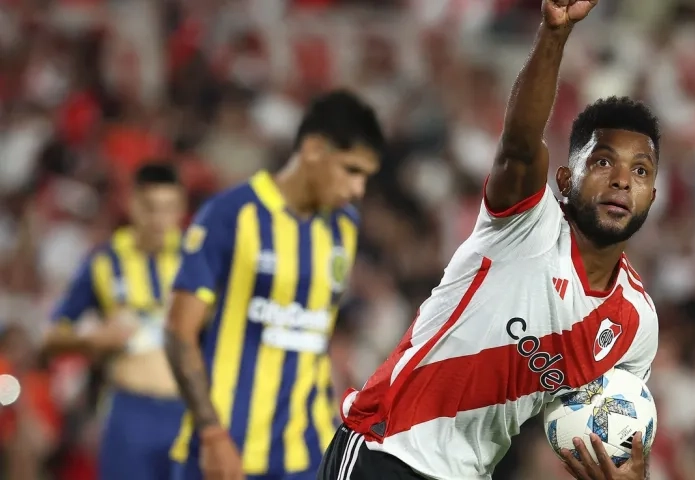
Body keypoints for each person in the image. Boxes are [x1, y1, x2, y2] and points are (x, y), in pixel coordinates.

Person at [317, 1, 659, 480]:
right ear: (564, 178)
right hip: (388, 449)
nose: (623, 180)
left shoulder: (635, 325)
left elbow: (613, 433)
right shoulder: (526, 222)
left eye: (640, 171)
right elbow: (520, 145)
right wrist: (554, 34)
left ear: (653, 194)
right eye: (603, 163)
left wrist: (629, 475)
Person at [165, 90, 385, 480]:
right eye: (351, 170)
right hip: (225, 453)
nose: (358, 190)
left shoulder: (344, 226)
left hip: (306, 454)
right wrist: (213, 436)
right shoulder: (231, 214)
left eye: (366, 177)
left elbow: (317, 332)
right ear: (314, 148)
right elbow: (179, 332)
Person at [45, 163, 187, 480]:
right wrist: (93, 340)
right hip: (129, 409)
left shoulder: (199, 259)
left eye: (170, 209)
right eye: (151, 208)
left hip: (188, 410)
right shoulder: (104, 261)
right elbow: (52, 336)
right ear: (133, 204)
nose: (161, 220)